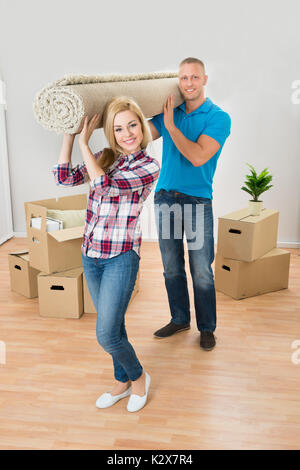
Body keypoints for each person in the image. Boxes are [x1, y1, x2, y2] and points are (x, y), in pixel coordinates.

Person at [52, 96, 160, 412]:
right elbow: (64, 177)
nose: (127, 133)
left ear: (141, 125)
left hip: (121, 257)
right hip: (91, 254)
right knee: (114, 328)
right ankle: (121, 381)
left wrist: (85, 145)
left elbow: (104, 187)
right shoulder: (107, 156)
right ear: (111, 133)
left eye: (132, 125)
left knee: (106, 335)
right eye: (118, 128)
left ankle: (139, 378)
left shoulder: (148, 166)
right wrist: (71, 134)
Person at [148, 57, 231, 350]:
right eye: (183, 78)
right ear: (178, 82)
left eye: (194, 77)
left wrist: (170, 126)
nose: (189, 83)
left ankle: (206, 328)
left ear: (205, 79)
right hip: (165, 198)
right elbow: (139, 135)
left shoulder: (218, 117)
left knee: (201, 270)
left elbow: (197, 156)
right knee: (171, 267)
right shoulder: (171, 111)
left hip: (197, 202)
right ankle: (180, 318)